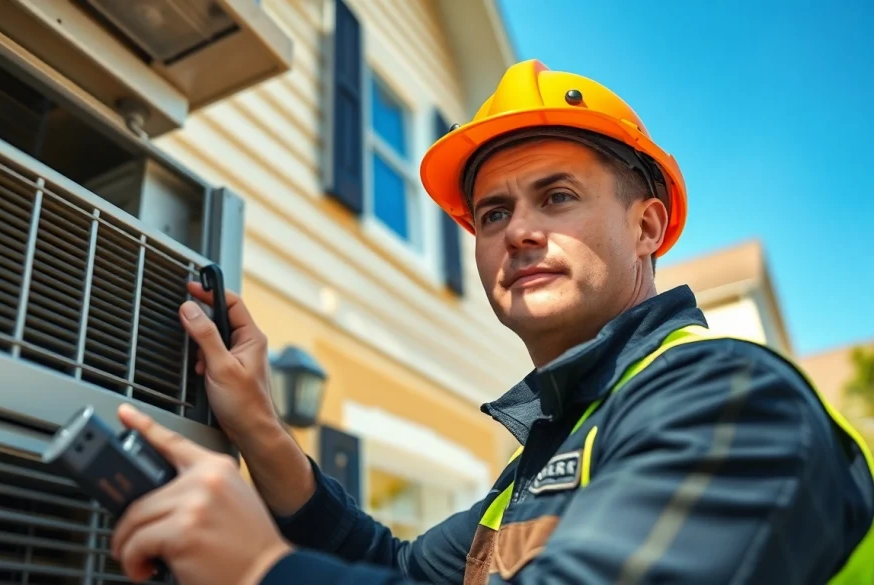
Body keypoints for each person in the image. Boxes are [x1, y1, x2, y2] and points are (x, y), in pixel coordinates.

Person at [107, 59, 874, 584]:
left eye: (559, 196)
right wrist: (260, 428)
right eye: (494, 213)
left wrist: (259, 571)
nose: (518, 232)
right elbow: (397, 570)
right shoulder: (551, 456)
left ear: (647, 227)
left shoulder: (726, 397)